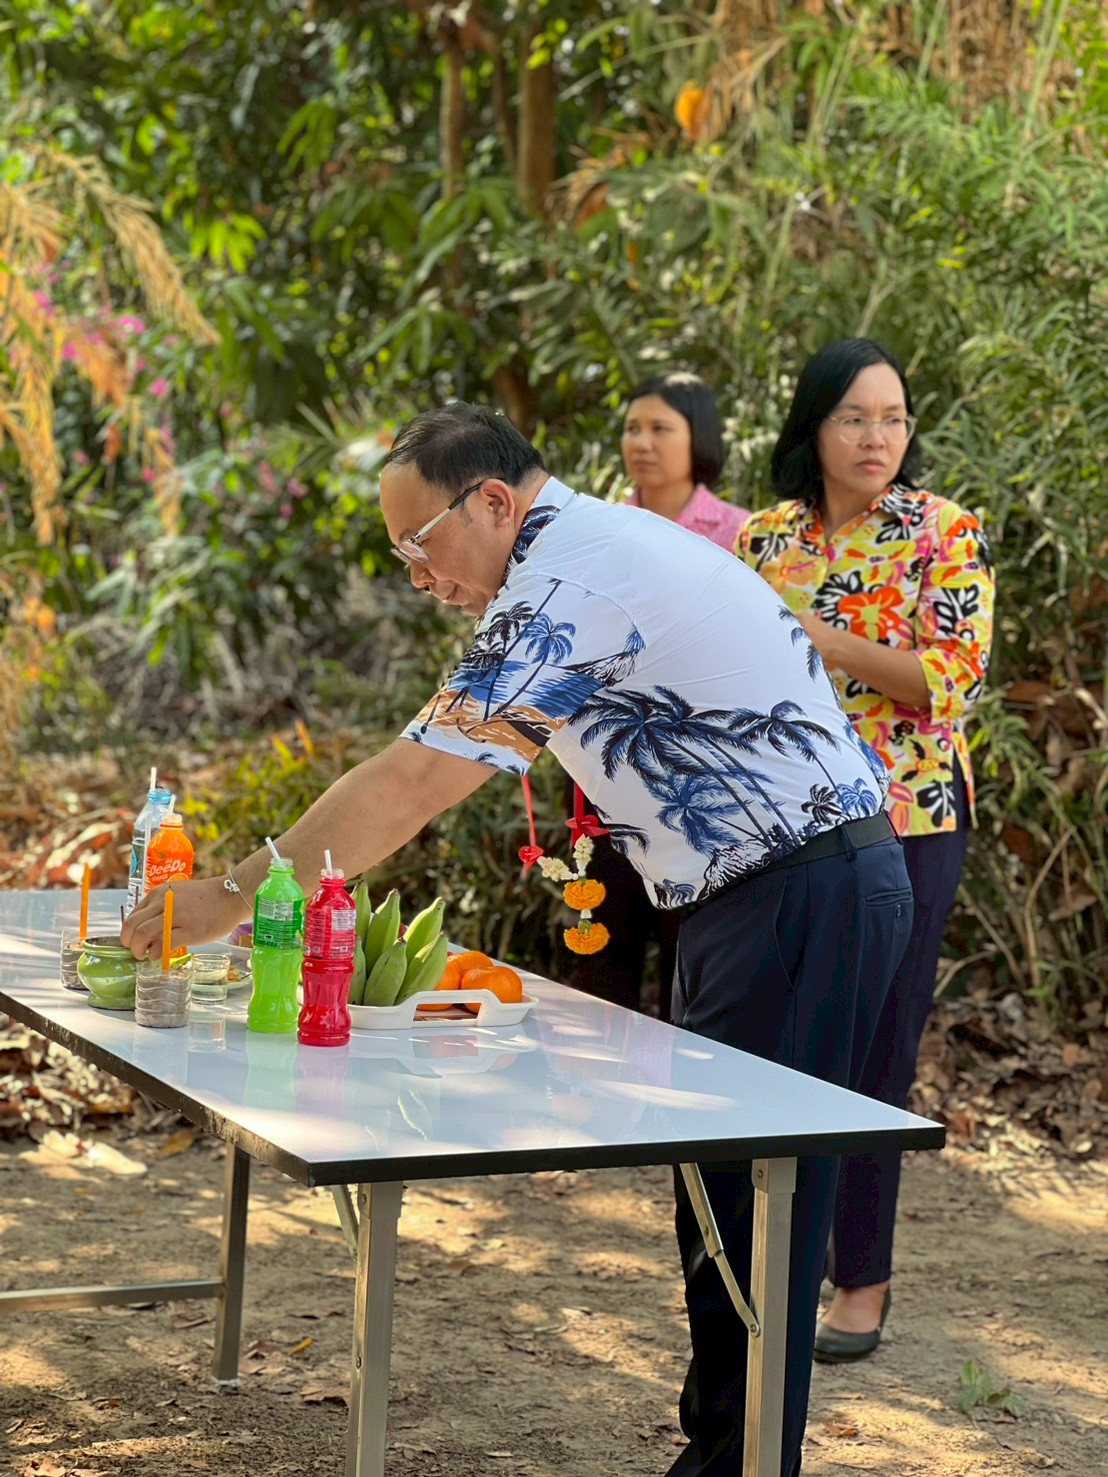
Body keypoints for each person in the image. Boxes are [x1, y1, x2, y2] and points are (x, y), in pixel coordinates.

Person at [123, 401, 913, 1477]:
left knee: (753, 1208)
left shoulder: (574, 580)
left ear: (492, 501)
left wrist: (229, 892)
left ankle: (737, 1461)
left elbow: (413, 782)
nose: (417, 574)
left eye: (419, 544)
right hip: (763, 892)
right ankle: (724, 1451)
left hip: (801, 889)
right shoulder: (581, 555)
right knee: (725, 1202)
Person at [736, 338, 994, 1363]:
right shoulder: (760, 541)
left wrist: (817, 638)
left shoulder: (943, 532)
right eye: (854, 417)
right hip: (778, 825)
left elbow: (946, 681)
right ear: (813, 426)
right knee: (774, 1045)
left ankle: (862, 1281)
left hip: (908, 820)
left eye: (893, 416)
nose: (877, 436)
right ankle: (773, 1269)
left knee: (873, 1052)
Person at [563, 370, 751, 1019]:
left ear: (697, 437)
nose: (641, 442)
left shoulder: (740, 534)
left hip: (699, 774)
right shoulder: (594, 528)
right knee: (601, 943)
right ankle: (590, 1097)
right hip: (603, 763)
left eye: (660, 428)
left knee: (691, 952)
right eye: (632, 427)